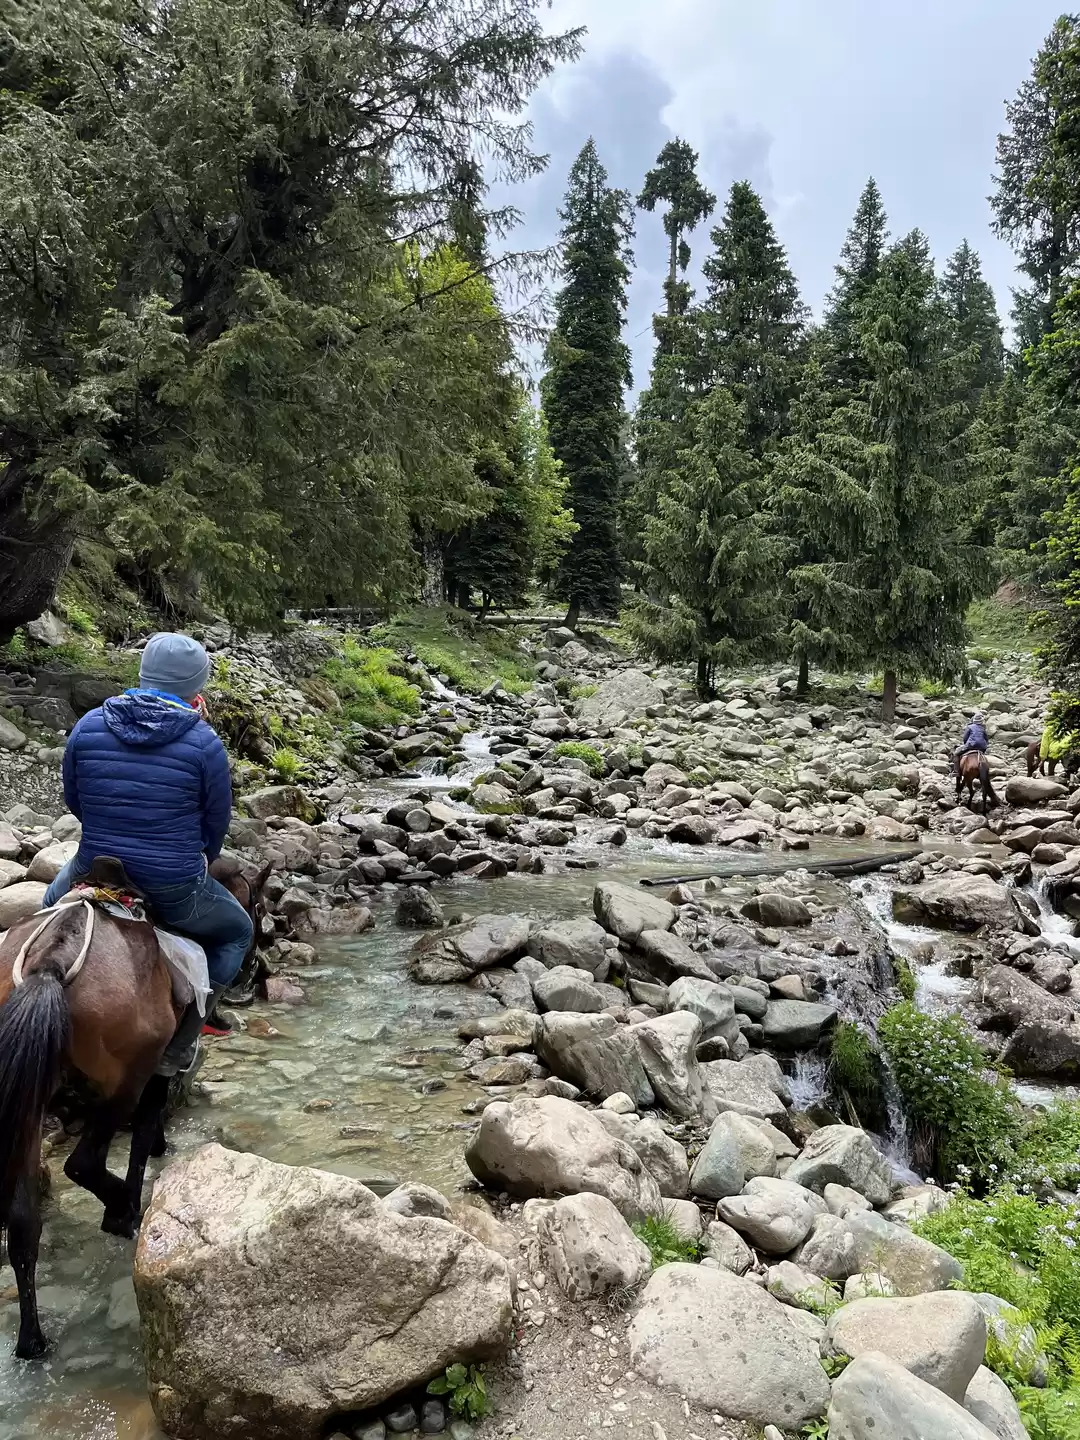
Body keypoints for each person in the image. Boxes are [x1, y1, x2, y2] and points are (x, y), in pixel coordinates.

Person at [43, 632, 252, 1073]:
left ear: (143, 673)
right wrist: (201, 858)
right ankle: (181, 1045)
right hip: (171, 878)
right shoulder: (203, 742)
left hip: (96, 865)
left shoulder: (90, 723)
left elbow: (74, 799)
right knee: (236, 931)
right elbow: (215, 823)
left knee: (48, 909)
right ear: (196, 685)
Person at [954, 709, 989, 775]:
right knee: (983, 757)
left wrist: (965, 744)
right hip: (982, 747)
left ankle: (956, 771)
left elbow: (965, 738)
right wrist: (985, 745)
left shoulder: (969, 727)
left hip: (971, 745)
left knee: (956, 753)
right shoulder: (983, 728)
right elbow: (986, 738)